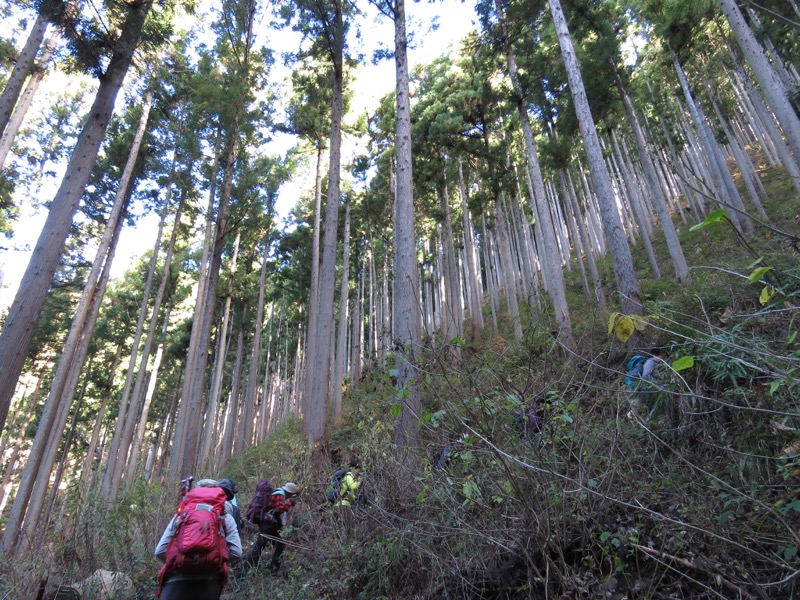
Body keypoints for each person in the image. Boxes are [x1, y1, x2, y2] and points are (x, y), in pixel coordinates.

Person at [155, 479, 242, 600]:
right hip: (210, 581)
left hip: (177, 580)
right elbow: (236, 553)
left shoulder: (182, 515)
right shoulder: (225, 517)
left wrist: (180, 563)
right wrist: (214, 561)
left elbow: (160, 551)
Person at [238, 482, 300, 576]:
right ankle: (243, 573)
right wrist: (290, 503)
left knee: (278, 545)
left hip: (268, 524)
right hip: (268, 525)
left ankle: (272, 569)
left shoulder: (277, 492)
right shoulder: (280, 494)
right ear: (290, 492)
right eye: (292, 494)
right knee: (259, 548)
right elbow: (279, 508)